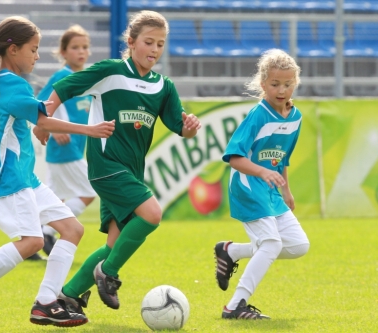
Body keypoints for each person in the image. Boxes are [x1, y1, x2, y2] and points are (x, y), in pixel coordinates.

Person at [0, 16, 115, 330]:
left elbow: (26, 117)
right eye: (33, 49)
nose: (36, 56)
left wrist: (36, 123)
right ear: (13, 49)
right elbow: (44, 120)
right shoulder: (11, 83)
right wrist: (90, 130)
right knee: (32, 242)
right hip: (11, 180)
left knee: (73, 230)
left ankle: (47, 302)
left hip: (25, 179)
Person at [33, 10, 202, 319]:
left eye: (160, 44)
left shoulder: (163, 86)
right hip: (105, 164)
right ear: (131, 41)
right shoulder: (110, 71)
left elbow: (181, 126)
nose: (154, 50)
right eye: (148, 42)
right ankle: (107, 274)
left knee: (114, 244)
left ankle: (68, 295)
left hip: (131, 171)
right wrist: (44, 120)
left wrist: (190, 127)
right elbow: (65, 87)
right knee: (152, 214)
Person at [214, 49, 310, 320]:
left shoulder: (296, 117)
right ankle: (235, 306)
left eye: (288, 84)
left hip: (270, 190)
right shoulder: (258, 114)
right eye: (275, 84)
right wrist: (263, 173)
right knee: (270, 244)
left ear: (295, 83)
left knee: (298, 245)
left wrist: (286, 189)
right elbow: (234, 157)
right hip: (247, 185)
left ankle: (231, 251)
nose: (282, 89)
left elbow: (282, 158)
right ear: (263, 84)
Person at [35, 24, 97, 258]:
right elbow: (42, 104)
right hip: (65, 147)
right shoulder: (62, 76)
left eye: (85, 47)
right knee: (90, 190)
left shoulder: (86, 79)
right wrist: (52, 126)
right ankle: (46, 232)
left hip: (76, 147)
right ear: (63, 52)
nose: (81, 52)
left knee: (55, 198)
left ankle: (35, 235)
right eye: (74, 47)